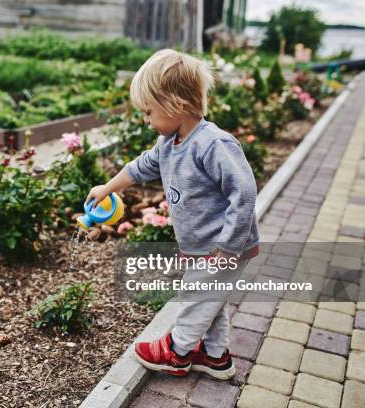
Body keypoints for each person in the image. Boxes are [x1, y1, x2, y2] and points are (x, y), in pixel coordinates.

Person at [86, 49, 259, 380]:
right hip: (201, 246)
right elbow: (142, 167)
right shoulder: (169, 142)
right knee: (213, 300)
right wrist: (108, 187)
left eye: (149, 111)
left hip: (223, 247)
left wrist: (228, 248)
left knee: (197, 296)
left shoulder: (213, 144)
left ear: (175, 104)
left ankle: (177, 352)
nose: (146, 119)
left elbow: (245, 192)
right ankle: (215, 356)